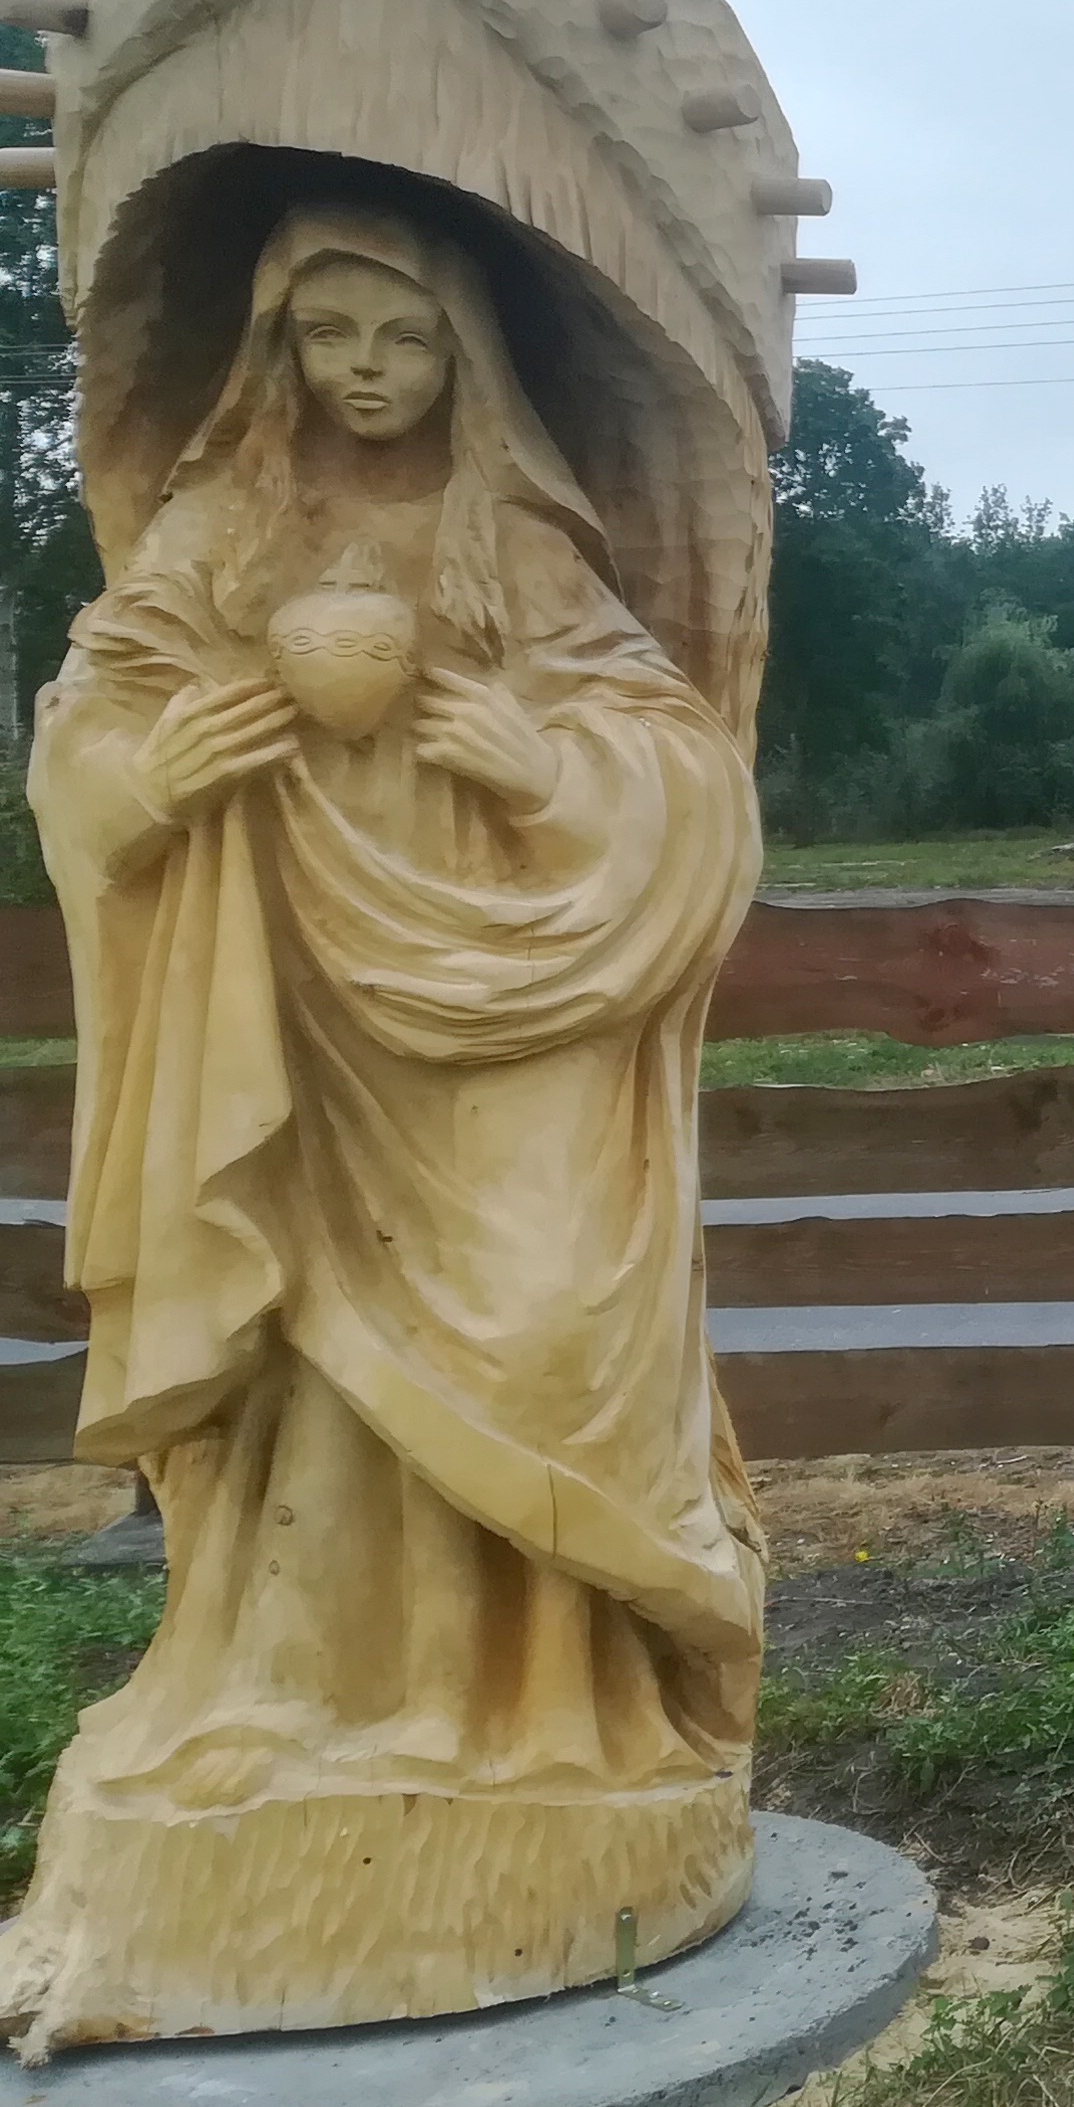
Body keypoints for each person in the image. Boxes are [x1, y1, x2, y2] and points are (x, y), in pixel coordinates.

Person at [5, 203, 763, 2043]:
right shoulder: (222, 529)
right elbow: (86, 723)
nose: (366, 370)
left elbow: (680, 759)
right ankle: (304, 1695)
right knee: (318, 1357)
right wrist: (149, 773)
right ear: (276, 348)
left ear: (461, 357)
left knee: (542, 1321)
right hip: (289, 1008)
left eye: (404, 338)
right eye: (330, 333)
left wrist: (541, 762)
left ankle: (545, 1707)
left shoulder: (519, 537)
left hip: (518, 1001)